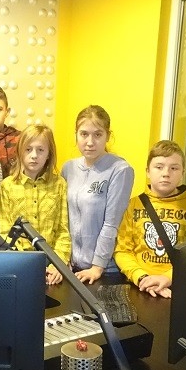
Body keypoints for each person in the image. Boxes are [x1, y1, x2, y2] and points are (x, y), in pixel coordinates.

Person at [113, 140, 186, 298]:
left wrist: (168, 278)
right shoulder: (134, 205)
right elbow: (123, 251)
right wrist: (142, 278)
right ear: (147, 171)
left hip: (177, 287)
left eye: (174, 168)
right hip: (140, 286)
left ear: (182, 172)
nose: (166, 173)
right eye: (159, 167)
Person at [62, 105, 135, 284]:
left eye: (97, 134)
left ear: (108, 136)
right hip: (72, 267)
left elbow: (112, 223)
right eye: (84, 134)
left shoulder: (120, 170)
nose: (90, 142)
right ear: (76, 135)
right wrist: (63, 257)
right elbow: (64, 218)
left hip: (105, 271)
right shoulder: (68, 168)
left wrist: (97, 267)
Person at [0, 125, 70, 285]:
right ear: (19, 151)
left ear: (49, 154)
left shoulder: (59, 184)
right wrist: (25, 266)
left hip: (52, 267)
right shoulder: (7, 186)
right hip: (20, 266)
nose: (34, 155)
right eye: (28, 149)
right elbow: (5, 232)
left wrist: (58, 265)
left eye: (40, 150)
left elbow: (63, 230)